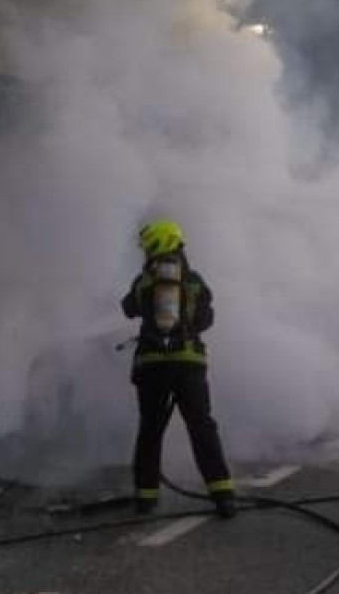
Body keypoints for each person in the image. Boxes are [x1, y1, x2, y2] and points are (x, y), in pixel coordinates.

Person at [122, 219, 235, 518]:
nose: (145, 251)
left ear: (158, 243)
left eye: (147, 245)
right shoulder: (195, 280)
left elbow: (128, 308)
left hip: (152, 367)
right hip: (189, 366)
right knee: (201, 427)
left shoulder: (144, 280)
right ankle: (223, 495)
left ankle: (146, 498)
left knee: (150, 431)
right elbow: (206, 319)